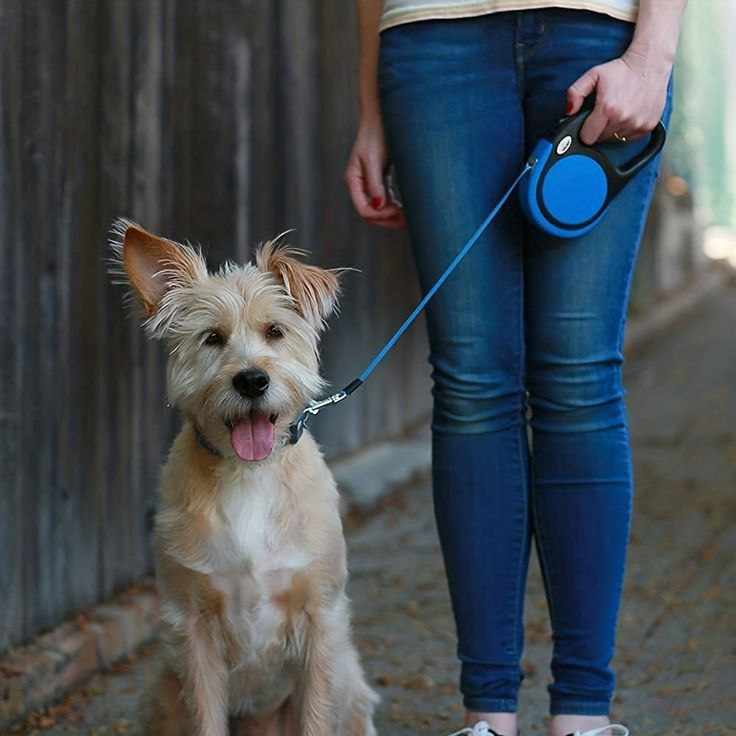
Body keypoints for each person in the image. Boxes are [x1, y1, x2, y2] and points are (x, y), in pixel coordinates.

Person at [345, 1, 687, 735]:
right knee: (471, 382)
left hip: (598, 32)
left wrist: (654, 53)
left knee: (579, 378)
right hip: (429, 39)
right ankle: (487, 717)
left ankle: (584, 717)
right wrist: (370, 108)